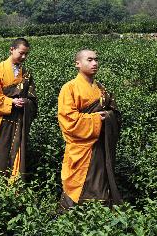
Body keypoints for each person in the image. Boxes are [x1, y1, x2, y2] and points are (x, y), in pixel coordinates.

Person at [57, 49, 122, 210]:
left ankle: (99, 213)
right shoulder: (69, 88)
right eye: (90, 60)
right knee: (77, 183)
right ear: (77, 64)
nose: (94, 63)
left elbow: (115, 112)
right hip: (81, 148)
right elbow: (68, 120)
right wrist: (95, 119)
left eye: (96, 60)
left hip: (100, 146)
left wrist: (108, 116)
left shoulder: (101, 88)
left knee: (100, 180)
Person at [0, 38, 37, 182]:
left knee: (17, 150)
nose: (24, 57)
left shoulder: (26, 73)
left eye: (26, 54)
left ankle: (15, 183)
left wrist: (26, 102)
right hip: (2, 119)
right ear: (11, 49)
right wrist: (11, 101)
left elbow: (32, 97)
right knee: (1, 151)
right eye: (21, 53)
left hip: (19, 118)